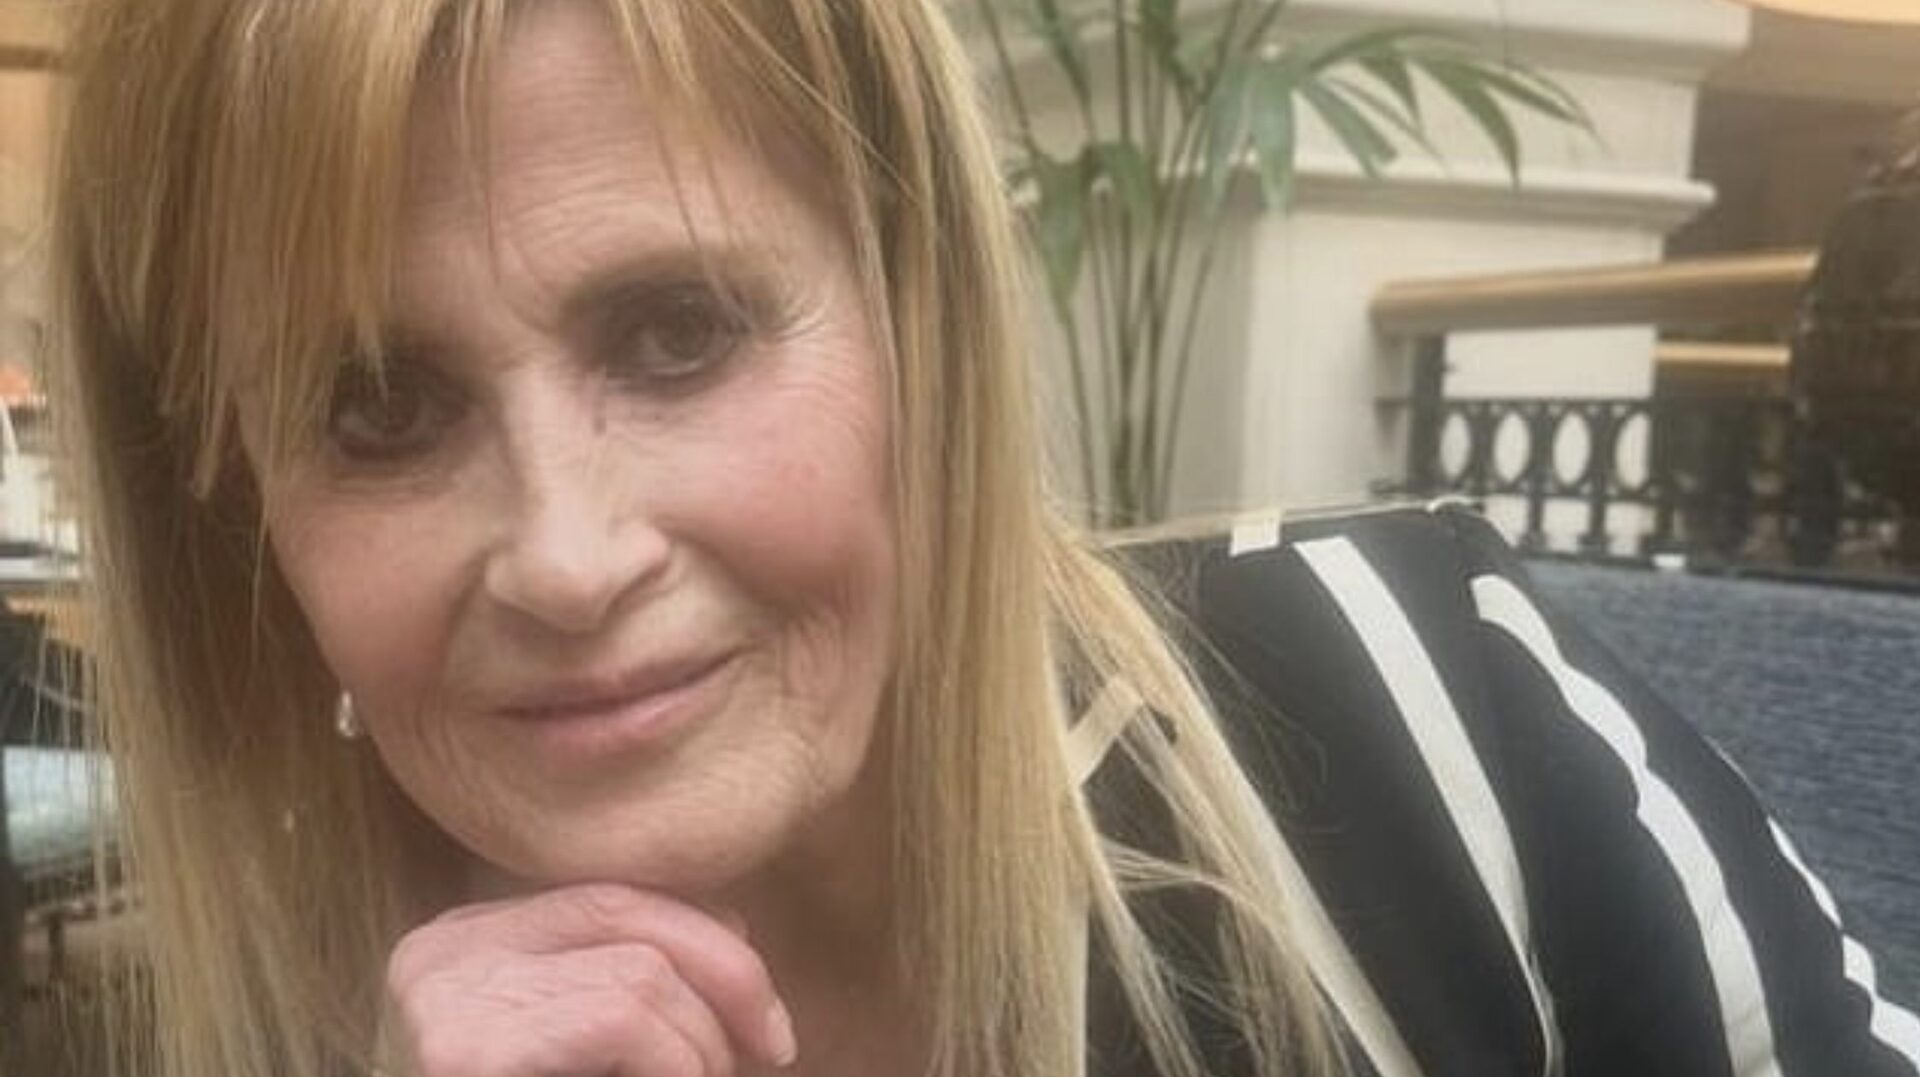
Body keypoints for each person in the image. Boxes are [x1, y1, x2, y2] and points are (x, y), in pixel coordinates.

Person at [45, 1, 1916, 1076]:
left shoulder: (1418, 714)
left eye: (678, 334)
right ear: (237, 512)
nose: (566, 553)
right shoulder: (303, 1030)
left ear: (919, 325)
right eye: (379, 409)